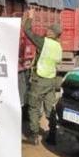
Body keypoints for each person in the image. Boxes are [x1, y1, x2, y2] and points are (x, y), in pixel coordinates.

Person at [23, 8, 63, 145]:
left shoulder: (44, 42)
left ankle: (34, 136)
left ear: (51, 32)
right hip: (51, 82)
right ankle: (52, 136)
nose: (46, 31)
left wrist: (30, 17)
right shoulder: (58, 46)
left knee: (34, 107)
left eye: (48, 29)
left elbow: (27, 31)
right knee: (50, 109)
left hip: (39, 80)